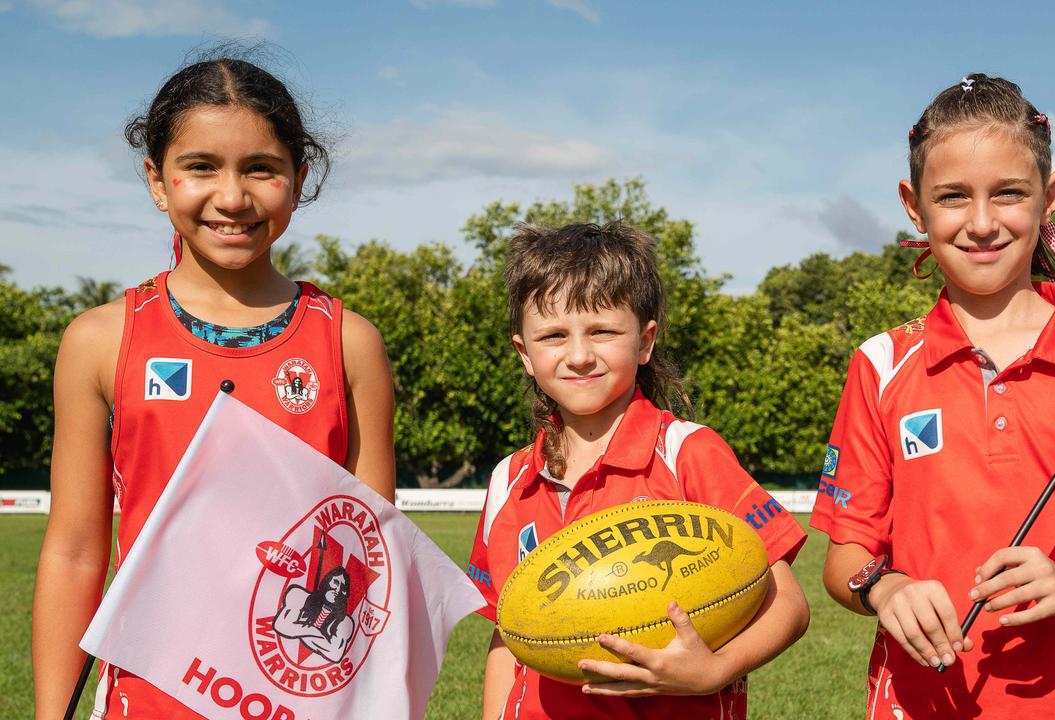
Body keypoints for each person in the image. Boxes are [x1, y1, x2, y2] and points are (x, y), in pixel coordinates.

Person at [811, 74, 1055, 719]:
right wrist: (885, 588)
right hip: (923, 700)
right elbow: (846, 557)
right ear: (914, 206)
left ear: (1050, 196)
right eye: (953, 197)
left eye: (1010, 193)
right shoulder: (881, 365)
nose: (983, 223)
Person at [31, 50, 395, 720]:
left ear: (299, 177)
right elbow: (75, 552)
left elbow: (367, 560)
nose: (233, 197)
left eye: (261, 168)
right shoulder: (101, 340)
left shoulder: (349, 343)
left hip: (300, 695)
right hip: (150, 696)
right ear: (157, 180)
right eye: (201, 167)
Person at [468, 222, 810, 720]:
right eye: (554, 335)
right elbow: (509, 634)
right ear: (525, 353)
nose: (579, 356)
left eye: (603, 331)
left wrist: (714, 672)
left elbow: (789, 606)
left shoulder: (688, 452)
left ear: (645, 341)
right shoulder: (508, 479)